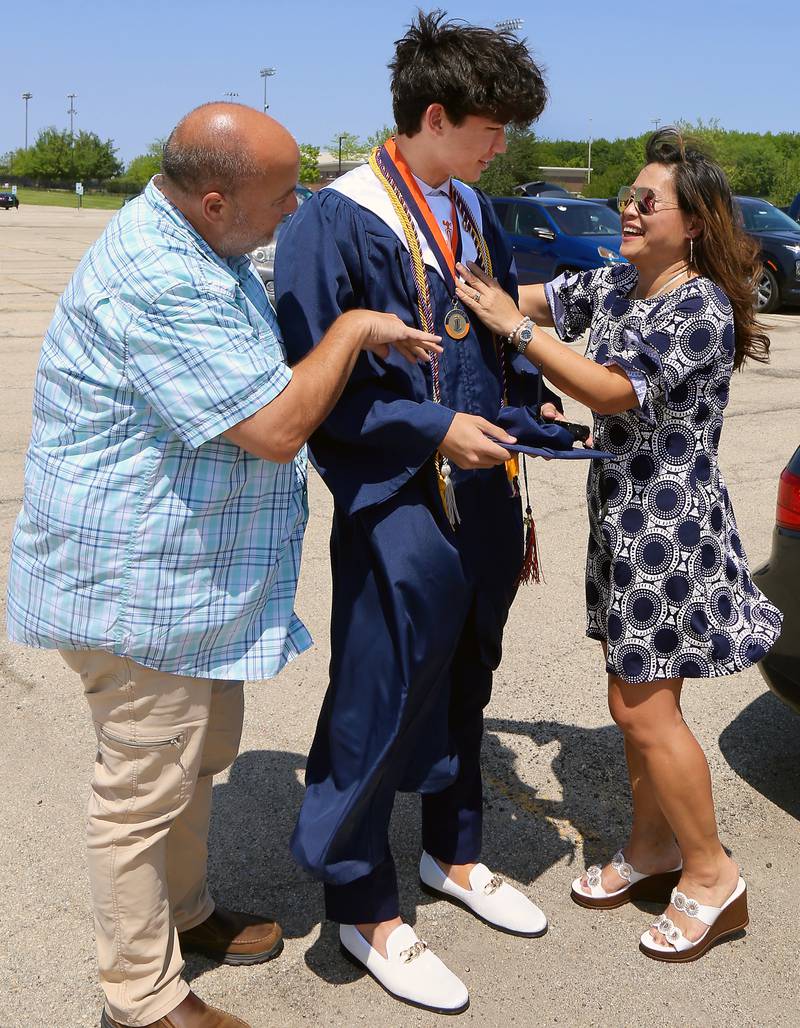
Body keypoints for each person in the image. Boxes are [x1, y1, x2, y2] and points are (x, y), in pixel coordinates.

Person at [5, 102, 440, 1028]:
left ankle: (188, 913)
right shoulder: (158, 277)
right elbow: (277, 429)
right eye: (284, 195)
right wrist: (356, 328)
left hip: (192, 589)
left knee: (198, 760)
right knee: (139, 791)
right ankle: (141, 995)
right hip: (137, 591)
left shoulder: (210, 248)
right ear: (213, 198)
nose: (298, 210)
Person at [276, 12, 560, 1013]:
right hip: (395, 491)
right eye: (489, 128)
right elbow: (323, 385)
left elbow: (482, 344)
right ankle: (362, 900)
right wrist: (432, 428)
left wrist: (529, 406)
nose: (500, 146)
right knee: (383, 684)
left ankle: (455, 849)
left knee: (467, 673)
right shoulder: (337, 218)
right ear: (433, 115)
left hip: (485, 488)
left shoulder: (470, 209)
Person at [453, 128, 783, 963]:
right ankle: (653, 848)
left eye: (647, 201)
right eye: (626, 198)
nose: (627, 210)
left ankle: (713, 877)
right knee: (635, 701)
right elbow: (530, 300)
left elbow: (612, 389)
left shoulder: (697, 304)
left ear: (696, 221)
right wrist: (465, 286)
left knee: (640, 706)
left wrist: (515, 331)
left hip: (669, 528)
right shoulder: (620, 285)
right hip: (623, 521)